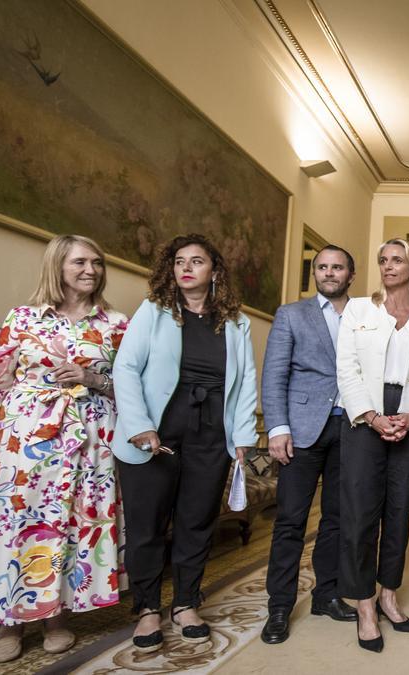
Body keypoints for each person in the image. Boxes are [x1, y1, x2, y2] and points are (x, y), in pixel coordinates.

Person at [0, 235, 127, 663]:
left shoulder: (116, 324)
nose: (91, 270)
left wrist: (93, 379)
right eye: (80, 262)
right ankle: (6, 623)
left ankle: (56, 618)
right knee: (17, 521)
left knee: (71, 522)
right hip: (27, 437)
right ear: (57, 266)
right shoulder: (23, 318)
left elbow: (135, 388)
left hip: (90, 440)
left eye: (97, 262)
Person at [113, 233, 258, 652]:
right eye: (179, 261)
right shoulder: (154, 311)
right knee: (147, 526)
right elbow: (125, 368)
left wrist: (244, 435)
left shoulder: (235, 321)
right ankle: (146, 609)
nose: (186, 268)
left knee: (197, 522)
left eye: (197, 261)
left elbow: (246, 380)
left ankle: (187, 603)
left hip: (212, 431)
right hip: (156, 432)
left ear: (214, 270)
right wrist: (139, 425)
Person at [336, 238, 409, 652]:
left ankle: (389, 594)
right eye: (383, 260)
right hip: (365, 417)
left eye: (397, 260)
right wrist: (373, 417)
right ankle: (364, 605)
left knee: (399, 512)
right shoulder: (359, 309)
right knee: (360, 515)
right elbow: (347, 367)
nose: (388, 266)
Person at [259, 245, 359, 646]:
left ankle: (327, 594)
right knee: (290, 521)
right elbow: (274, 375)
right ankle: (279, 606)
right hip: (301, 430)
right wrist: (278, 428)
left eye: (337, 267)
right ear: (314, 273)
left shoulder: (363, 315)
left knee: (337, 519)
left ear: (351, 275)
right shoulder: (291, 315)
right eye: (322, 267)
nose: (329, 273)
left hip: (351, 429)